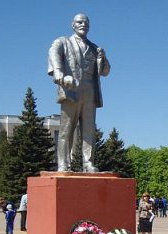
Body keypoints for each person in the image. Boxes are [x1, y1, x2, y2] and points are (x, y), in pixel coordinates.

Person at [48, 13, 111, 172]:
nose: (83, 24)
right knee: (66, 129)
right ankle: (64, 163)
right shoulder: (63, 42)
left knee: (89, 130)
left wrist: (102, 59)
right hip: (71, 90)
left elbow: (106, 71)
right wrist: (59, 73)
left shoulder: (94, 48)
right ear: (73, 25)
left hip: (90, 92)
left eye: (86, 22)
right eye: (79, 22)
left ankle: (88, 163)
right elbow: (54, 53)